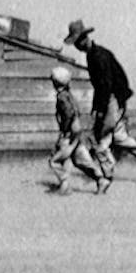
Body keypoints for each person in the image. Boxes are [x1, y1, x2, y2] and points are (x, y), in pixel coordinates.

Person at [63, 20, 136, 185]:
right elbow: (100, 86)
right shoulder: (93, 55)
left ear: (84, 39)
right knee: (119, 137)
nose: (77, 46)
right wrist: (97, 108)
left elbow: (105, 86)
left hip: (112, 99)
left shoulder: (98, 56)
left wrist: (102, 110)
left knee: (101, 138)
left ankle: (106, 175)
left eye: (77, 42)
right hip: (113, 99)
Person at [48, 66, 110, 195]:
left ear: (55, 82)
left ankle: (65, 185)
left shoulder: (62, 97)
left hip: (69, 134)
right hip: (77, 133)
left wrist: (64, 132)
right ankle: (100, 179)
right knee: (81, 160)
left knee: (55, 160)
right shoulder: (69, 95)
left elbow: (68, 114)